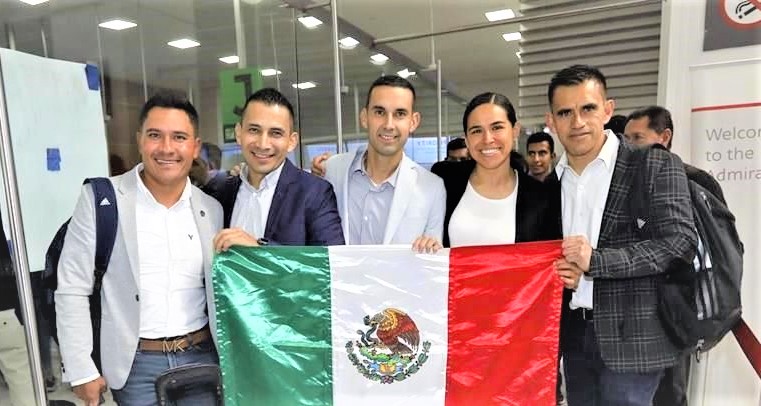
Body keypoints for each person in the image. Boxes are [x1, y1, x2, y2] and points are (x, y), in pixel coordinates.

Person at [55, 92, 223, 405]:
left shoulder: (211, 210)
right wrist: (80, 369)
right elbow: (72, 287)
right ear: (140, 140)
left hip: (201, 357)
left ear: (195, 147)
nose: (167, 148)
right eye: (155, 135)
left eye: (179, 137)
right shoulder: (101, 200)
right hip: (136, 365)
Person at [546, 65, 697, 406]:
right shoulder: (550, 183)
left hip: (634, 337)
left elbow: (680, 243)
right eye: (565, 113)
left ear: (608, 110)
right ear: (551, 121)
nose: (577, 122)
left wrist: (596, 261)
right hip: (573, 336)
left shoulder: (653, 165)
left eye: (588, 108)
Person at [625, 105, 727, 406]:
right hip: (633, 313)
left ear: (665, 137)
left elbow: (713, 244)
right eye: (626, 139)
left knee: (670, 392)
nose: (629, 147)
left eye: (637, 138)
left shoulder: (694, 181)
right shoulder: (628, 183)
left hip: (676, 307)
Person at [313, 75, 445, 246]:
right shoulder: (331, 170)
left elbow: (432, 251)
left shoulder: (432, 188)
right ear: (364, 117)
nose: (388, 125)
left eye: (400, 114)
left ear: (413, 122)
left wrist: (432, 247)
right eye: (380, 112)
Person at [207, 87, 344, 250]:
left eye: (276, 133)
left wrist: (261, 249)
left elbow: (330, 261)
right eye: (254, 130)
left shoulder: (315, 194)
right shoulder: (219, 194)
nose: (263, 144)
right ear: (238, 133)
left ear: (291, 141)